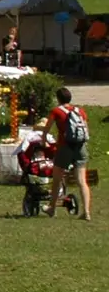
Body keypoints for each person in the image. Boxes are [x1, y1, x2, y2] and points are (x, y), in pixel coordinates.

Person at [48, 88, 91, 220]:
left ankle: (52, 209)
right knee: (82, 181)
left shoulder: (56, 111)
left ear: (58, 98)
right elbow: (86, 130)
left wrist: (45, 139)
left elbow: (47, 127)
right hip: (80, 147)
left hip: (64, 147)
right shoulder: (79, 111)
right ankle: (87, 212)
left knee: (56, 179)